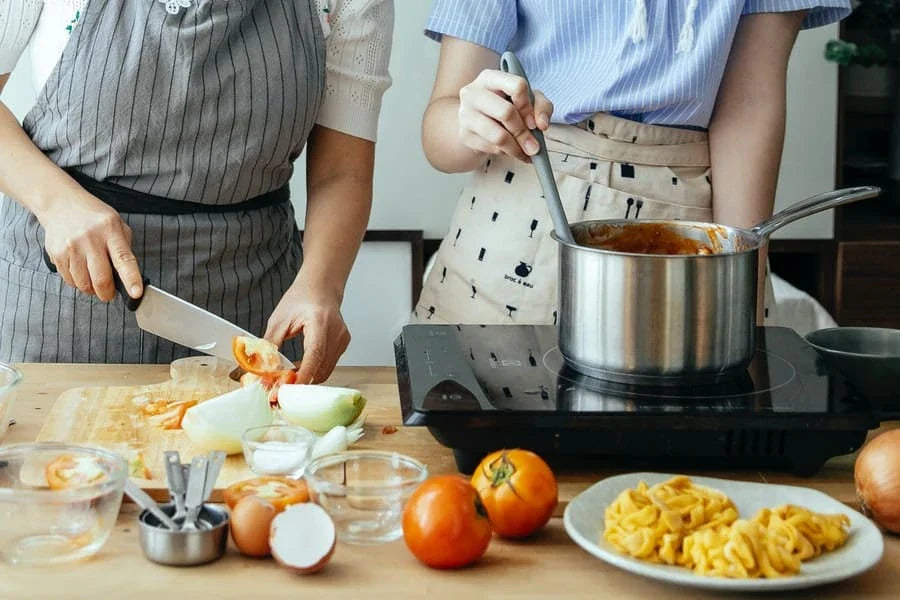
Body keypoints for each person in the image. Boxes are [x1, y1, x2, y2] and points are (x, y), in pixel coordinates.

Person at [0, 0, 393, 382]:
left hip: (253, 303)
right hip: (62, 296)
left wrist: (321, 286)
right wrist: (57, 203)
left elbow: (342, 172)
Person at [413, 0, 850, 326]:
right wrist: (475, 121)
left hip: (685, 220)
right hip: (512, 226)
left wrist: (741, 281)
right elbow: (439, 135)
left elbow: (749, 108)